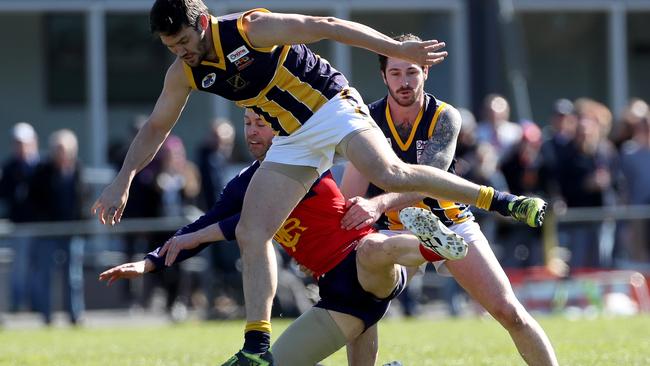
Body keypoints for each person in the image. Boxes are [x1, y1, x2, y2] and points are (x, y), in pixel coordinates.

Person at [91, 1, 546, 362]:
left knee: (390, 174)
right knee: (253, 231)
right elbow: (156, 127)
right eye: (173, 48)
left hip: (331, 107)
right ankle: (256, 343)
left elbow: (327, 24)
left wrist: (398, 49)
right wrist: (123, 179)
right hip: (291, 136)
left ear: (204, 22)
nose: (183, 53)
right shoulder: (184, 71)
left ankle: (501, 200)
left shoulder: (250, 29)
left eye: (185, 42)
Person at [99, 108, 468, 365]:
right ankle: (431, 250)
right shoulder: (244, 183)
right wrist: (150, 262)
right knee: (274, 363)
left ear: (280, 129)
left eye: (260, 123)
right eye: (247, 123)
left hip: (359, 258)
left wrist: (200, 237)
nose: (252, 132)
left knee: (373, 247)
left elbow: (248, 224)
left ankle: (433, 246)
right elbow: (206, 225)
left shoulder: (305, 157)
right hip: (337, 295)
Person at [339, 34, 558, 366]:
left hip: (450, 224)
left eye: (412, 71)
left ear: (426, 71)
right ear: (383, 76)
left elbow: (430, 178)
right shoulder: (366, 121)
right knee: (358, 314)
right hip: (393, 234)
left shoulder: (445, 116)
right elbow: (350, 193)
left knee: (509, 311)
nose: (404, 81)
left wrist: (379, 203)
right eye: (396, 73)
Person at [28, 129, 86, 325]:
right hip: (48, 232)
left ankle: (75, 315)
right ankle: (46, 316)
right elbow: (35, 200)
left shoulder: (77, 169)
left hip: (72, 231)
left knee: (74, 277)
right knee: (46, 275)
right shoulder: (43, 171)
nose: (61, 153)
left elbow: (81, 199)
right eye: (58, 148)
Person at [0, 122, 39, 312]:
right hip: (20, 225)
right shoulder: (9, 168)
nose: (20, 147)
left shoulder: (41, 167)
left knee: (38, 267)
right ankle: (18, 305)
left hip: (41, 226)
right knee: (19, 267)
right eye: (17, 143)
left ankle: (37, 304)